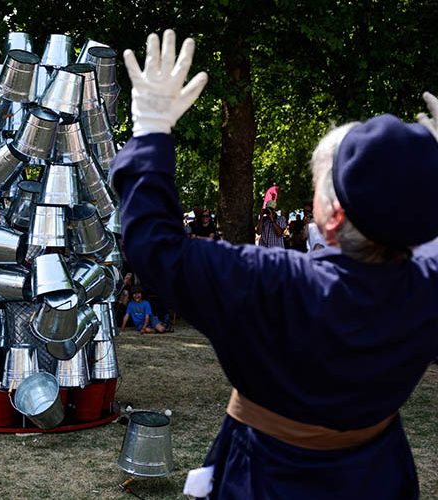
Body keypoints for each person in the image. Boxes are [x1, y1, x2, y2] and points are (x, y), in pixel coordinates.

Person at [111, 29, 438, 498]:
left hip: (264, 480)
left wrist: (151, 127)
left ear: (330, 217)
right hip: (378, 477)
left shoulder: (268, 282)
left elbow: (153, 247)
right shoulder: (427, 287)